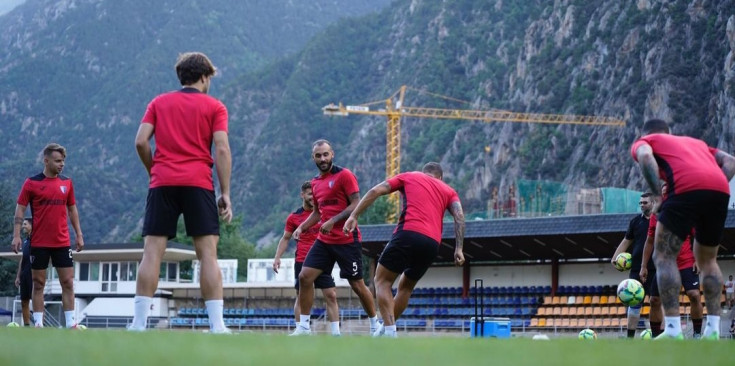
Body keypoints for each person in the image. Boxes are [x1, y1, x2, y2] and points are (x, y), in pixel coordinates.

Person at [131, 52, 232, 333]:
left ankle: (138, 325)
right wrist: (225, 192)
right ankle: (217, 326)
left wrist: (155, 170)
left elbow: (140, 142)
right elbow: (222, 149)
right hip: (198, 183)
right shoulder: (215, 106)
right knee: (208, 255)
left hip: (162, 182)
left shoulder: (159, 103)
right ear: (204, 76)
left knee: (152, 252)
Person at [631, 118, 735, 339]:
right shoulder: (696, 143)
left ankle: (672, 330)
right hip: (719, 189)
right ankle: (713, 330)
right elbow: (731, 162)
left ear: (646, 133)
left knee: (663, 257)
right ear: (670, 132)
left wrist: (658, 195)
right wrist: (714, 187)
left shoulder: (646, 141)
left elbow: (645, 157)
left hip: (684, 188)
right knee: (708, 261)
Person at [344, 162, 465, 338]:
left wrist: (354, 215)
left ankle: (390, 333)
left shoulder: (410, 176)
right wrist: (459, 248)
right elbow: (460, 217)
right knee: (406, 288)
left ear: (424, 173)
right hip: (432, 243)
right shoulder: (449, 190)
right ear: (440, 177)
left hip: (408, 233)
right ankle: (385, 330)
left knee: (382, 281)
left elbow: (375, 191)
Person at [290, 139, 378, 335]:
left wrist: (333, 221)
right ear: (313, 158)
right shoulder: (314, 183)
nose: (323, 159)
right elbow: (317, 212)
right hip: (324, 241)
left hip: (347, 240)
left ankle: (375, 325)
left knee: (357, 284)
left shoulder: (345, 175)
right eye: (318, 156)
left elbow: (356, 203)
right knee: (304, 277)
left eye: (325, 154)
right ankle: (303, 327)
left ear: (332, 154)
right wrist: (302, 228)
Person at [11, 143, 84, 328]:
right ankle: (38, 325)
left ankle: (71, 325)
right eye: (58, 161)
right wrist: (16, 235)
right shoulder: (31, 183)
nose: (62, 164)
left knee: (67, 282)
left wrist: (79, 234)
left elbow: (72, 209)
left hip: (62, 242)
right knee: (38, 284)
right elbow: (20, 209)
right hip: (39, 242)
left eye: (63, 161)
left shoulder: (67, 183)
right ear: (46, 161)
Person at [273, 181, 341, 336]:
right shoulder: (294, 217)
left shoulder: (324, 214)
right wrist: (277, 257)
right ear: (302, 195)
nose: (313, 197)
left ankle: (336, 333)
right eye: (310, 194)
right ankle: (301, 329)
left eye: (315, 194)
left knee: (331, 294)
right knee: (300, 296)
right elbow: (285, 238)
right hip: (302, 260)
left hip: (322, 260)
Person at [642, 184, 702, 338]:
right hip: (664, 265)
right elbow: (649, 241)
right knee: (654, 300)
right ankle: (656, 336)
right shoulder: (656, 215)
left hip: (686, 262)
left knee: (694, 294)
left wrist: (697, 259)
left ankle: (696, 334)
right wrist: (643, 266)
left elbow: (698, 237)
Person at [611, 193, 661, 338]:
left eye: (645, 202)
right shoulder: (635, 222)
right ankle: (630, 338)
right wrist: (615, 257)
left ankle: (659, 336)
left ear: (652, 203)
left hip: (655, 269)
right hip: (636, 269)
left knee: (657, 303)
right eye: (640, 203)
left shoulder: (660, 220)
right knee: (633, 304)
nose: (642, 205)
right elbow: (626, 241)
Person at [14, 218, 33, 326]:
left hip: (34, 273)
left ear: (31, 225)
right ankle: (26, 326)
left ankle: (40, 325)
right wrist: (18, 276)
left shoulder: (37, 239)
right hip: (24, 274)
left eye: (25, 224)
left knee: (36, 301)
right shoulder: (25, 241)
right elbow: (23, 258)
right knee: (24, 301)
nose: (23, 226)